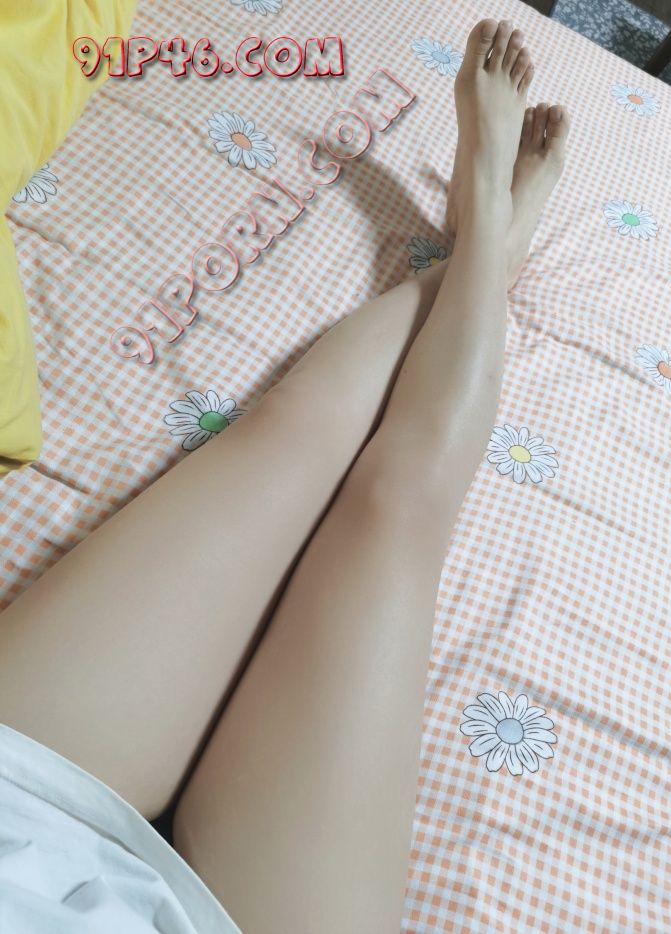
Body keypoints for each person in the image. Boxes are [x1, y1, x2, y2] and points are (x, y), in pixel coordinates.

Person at [0, 17, 570, 934]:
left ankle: (484, 246)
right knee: (401, 503)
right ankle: (493, 245)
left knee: (293, 431)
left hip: (17, 825)